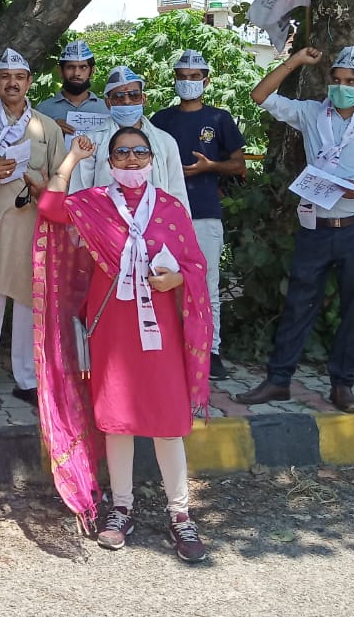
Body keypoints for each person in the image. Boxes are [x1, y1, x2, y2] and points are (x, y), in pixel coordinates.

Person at [33, 130, 213, 561]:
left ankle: (181, 514)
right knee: (116, 420)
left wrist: (178, 279)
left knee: (168, 421)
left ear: (152, 158)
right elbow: (49, 208)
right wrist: (72, 159)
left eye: (139, 152)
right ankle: (121, 508)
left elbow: (196, 265)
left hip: (162, 330)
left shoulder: (169, 207)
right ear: (110, 161)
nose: (131, 159)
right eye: (122, 153)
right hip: (112, 326)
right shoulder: (94, 201)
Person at [236, 46, 354, 413]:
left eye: (351, 81)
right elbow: (260, 96)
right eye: (337, 79)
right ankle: (279, 380)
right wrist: (295, 62)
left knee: (353, 308)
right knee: (298, 304)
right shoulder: (312, 113)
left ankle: (343, 386)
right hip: (316, 227)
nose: (342, 86)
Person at [0, 48, 66, 419]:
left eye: (19, 77)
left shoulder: (47, 128)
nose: (12, 83)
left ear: (29, 83)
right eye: (5, 76)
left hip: (31, 227)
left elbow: (61, 179)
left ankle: (27, 380)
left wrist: (44, 190)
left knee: (27, 306)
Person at [151, 50, 246, 380]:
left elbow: (240, 164)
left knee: (206, 284)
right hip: (165, 215)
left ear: (207, 80)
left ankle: (211, 350)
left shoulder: (220, 118)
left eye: (195, 76)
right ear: (175, 79)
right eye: (182, 76)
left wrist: (211, 167)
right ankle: (172, 349)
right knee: (165, 282)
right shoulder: (160, 119)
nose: (188, 82)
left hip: (204, 212)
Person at [75, 66, 190, 212]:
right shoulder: (92, 141)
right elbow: (79, 192)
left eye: (134, 95)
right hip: (107, 224)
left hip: (156, 225)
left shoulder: (165, 141)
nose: (127, 101)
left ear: (143, 99)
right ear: (108, 103)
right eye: (119, 97)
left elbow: (178, 194)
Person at [36, 39, 108, 137]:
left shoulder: (107, 109)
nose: (76, 73)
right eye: (70, 67)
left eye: (83, 67)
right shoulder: (42, 110)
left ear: (92, 71)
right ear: (60, 71)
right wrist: (51, 129)